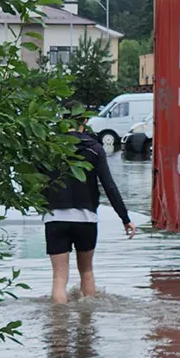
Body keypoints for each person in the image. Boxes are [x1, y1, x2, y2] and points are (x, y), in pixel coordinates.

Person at [41, 101, 136, 304]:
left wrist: (42, 204)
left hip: (55, 217)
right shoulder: (95, 149)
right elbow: (109, 186)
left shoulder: (49, 148)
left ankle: (58, 329)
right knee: (87, 272)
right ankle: (88, 325)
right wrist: (125, 218)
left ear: (63, 119)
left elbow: (36, 181)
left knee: (59, 278)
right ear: (85, 120)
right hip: (86, 219)